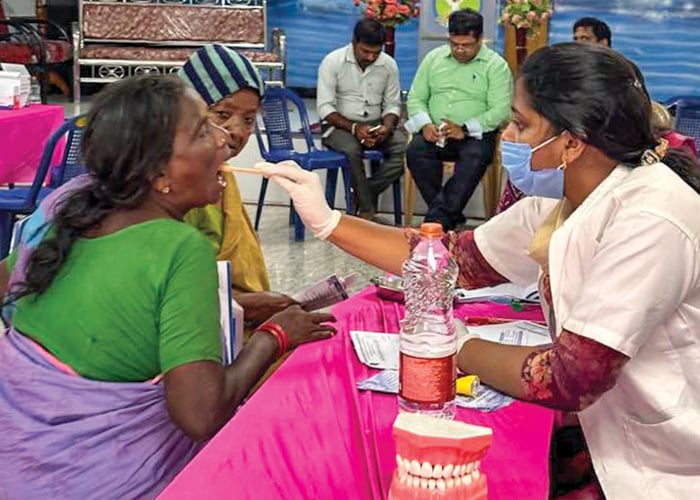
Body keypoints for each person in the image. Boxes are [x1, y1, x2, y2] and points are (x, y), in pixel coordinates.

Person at [261, 43, 700, 498]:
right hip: (612, 433)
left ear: (572, 141)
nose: (508, 135)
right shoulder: (563, 199)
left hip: (669, 465)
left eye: (522, 123)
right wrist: (328, 220)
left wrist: (459, 349)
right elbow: (454, 259)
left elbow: (570, 378)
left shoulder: (651, 216)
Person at [0, 75, 336, 497]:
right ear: (159, 173)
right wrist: (276, 335)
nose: (223, 140)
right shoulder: (180, 248)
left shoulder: (68, 207)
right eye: (202, 130)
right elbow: (200, 413)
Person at [179, 45, 296, 327]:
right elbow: (171, 299)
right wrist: (240, 307)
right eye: (222, 114)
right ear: (185, 114)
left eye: (248, 120)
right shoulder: (176, 186)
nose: (237, 131)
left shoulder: (221, 174)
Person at [405, 8, 512, 230]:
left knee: (475, 156)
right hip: (435, 132)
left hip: (475, 135)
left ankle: (436, 221)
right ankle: (449, 217)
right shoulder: (433, 59)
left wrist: (464, 128)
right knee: (416, 152)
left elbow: (501, 110)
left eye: (467, 45)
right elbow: (416, 97)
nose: (460, 50)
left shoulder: (496, 65)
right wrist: (425, 124)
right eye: (455, 44)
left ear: (480, 39)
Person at [317, 18, 406, 220]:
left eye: (376, 52)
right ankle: (366, 211)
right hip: (338, 126)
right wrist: (355, 128)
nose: (371, 57)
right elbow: (325, 108)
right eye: (365, 51)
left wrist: (387, 126)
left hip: (377, 124)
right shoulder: (333, 61)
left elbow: (392, 104)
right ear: (354, 41)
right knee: (351, 149)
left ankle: (365, 192)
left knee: (407, 148)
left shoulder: (388, 65)